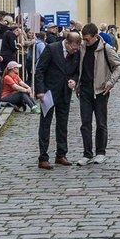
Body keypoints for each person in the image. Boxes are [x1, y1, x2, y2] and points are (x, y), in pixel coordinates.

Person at [38, 29, 80, 168]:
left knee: (62, 125)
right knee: (45, 125)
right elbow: (40, 70)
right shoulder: (51, 48)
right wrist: (40, 91)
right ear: (67, 43)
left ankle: (61, 154)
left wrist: (74, 80)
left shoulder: (76, 52)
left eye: (77, 49)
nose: (75, 51)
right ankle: (43, 157)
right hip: (49, 93)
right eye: (73, 48)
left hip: (64, 93)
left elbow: (76, 71)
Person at [78, 22, 118, 159]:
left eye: (87, 39)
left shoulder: (106, 48)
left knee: (101, 123)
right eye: (84, 39)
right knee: (85, 124)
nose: (85, 41)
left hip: (101, 91)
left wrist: (111, 82)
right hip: (85, 90)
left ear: (95, 36)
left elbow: (119, 65)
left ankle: (100, 152)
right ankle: (87, 154)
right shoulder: (82, 47)